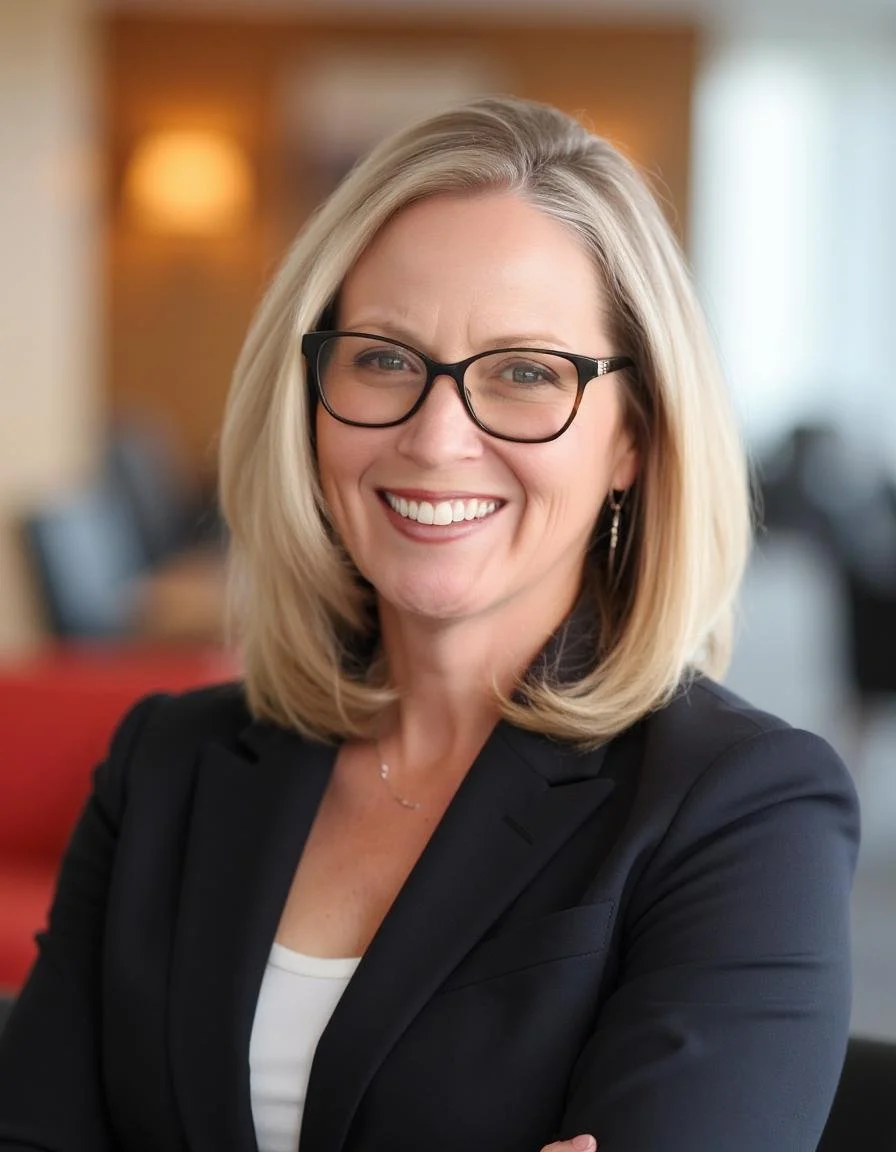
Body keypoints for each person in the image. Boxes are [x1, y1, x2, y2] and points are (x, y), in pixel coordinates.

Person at [0, 96, 859, 1152]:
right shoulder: (164, 767)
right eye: (384, 359)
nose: (436, 436)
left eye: (526, 373)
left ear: (632, 437)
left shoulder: (741, 812)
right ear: (309, 393)